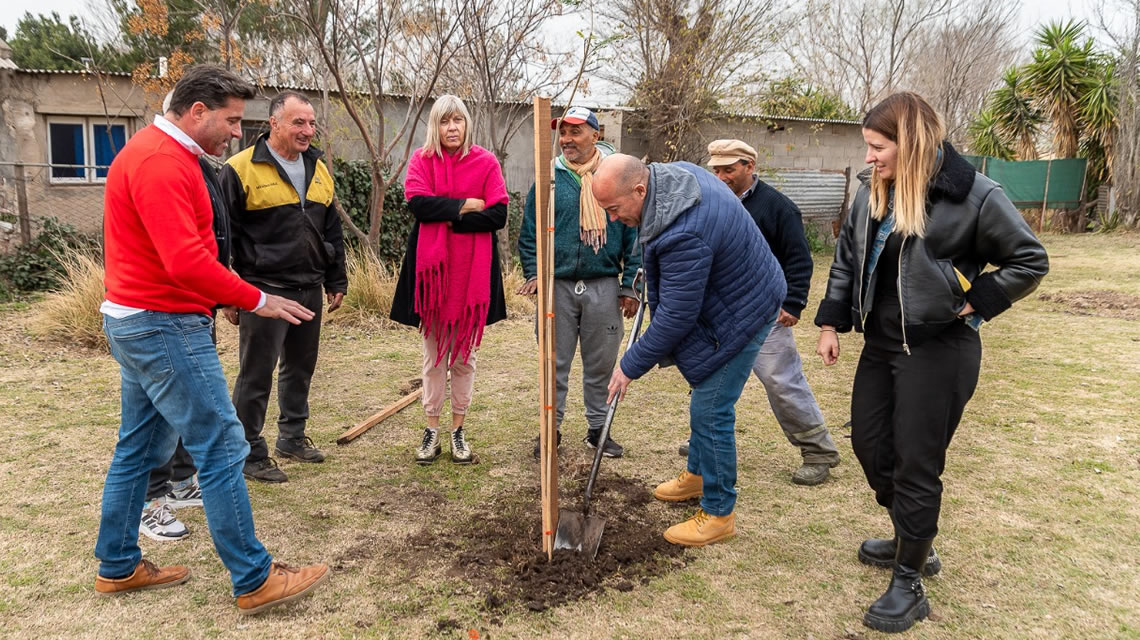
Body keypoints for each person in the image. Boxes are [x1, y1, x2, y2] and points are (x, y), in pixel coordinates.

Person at [96, 64, 328, 613]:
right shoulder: (160, 163)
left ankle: (118, 565)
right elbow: (186, 263)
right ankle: (254, 577)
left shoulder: (166, 154)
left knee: (140, 444)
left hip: (138, 317)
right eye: (229, 120)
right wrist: (256, 298)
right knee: (224, 443)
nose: (234, 133)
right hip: (162, 322)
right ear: (197, 111)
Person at [814, 92, 1048, 633]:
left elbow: (1031, 259)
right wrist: (830, 322)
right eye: (867, 148)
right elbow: (848, 257)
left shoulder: (974, 195)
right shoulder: (873, 190)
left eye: (878, 147)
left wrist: (974, 299)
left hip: (939, 348)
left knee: (918, 463)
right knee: (870, 445)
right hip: (881, 342)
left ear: (910, 142)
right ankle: (914, 536)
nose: (869, 157)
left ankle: (909, 580)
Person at [593, 153, 786, 547]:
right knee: (704, 395)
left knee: (712, 407)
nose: (613, 220)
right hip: (731, 293)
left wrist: (628, 367)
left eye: (614, 209)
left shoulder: (684, 230)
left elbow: (677, 318)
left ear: (640, 189)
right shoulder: (670, 178)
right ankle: (698, 476)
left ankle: (718, 513)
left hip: (746, 309)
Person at [679, 139, 842, 486]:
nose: (721, 176)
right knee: (708, 380)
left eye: (729, 170)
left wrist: (793, 302)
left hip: (765, 313)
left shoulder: (778, 207)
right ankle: (701, 443)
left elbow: (799, 258)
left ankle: (817, 451)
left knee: (781, 381)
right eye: (716, 169)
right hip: (720, 314)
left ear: (749, 167)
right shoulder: (707, 200)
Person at [220, 91, 348, 483]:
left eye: (311, 124)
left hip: (309, 284)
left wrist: (335, 278)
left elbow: (331, 227)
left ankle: (292, 436)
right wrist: (229, 292)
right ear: (274, 123)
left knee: (300, 367)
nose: (307, 131)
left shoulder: (317, 167)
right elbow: (222, 234)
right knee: (256, 373)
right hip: (264, 290)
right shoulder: (239, 169)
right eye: (298, 123)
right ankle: (249, 452)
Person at [390, 94, 509, 465]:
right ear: (435, 126)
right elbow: (417, 204)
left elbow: (498, 215)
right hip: (433, 279)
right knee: (432, 357)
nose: (452, 128)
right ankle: (431, 430)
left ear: (466, 123)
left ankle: (458, 430)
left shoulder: (485, 161)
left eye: (457, 120)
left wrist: (447, 211)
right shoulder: (422, 161)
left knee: (464, 358)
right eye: (444, 121)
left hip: (471, 277)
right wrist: (468, 204)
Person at [519, 106, 641, 459]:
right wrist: (533, 273)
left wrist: (629, 284)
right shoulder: (550, 178)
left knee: (601, 362)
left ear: (596, 135)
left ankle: (598, 429)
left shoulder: (615, 175)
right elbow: (530, 233)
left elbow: (635, 233)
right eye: (563, 133)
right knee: (553, 361)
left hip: (603, 283)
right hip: (556, 285)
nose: (567, 140)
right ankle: (550, 431)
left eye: (575, 132)